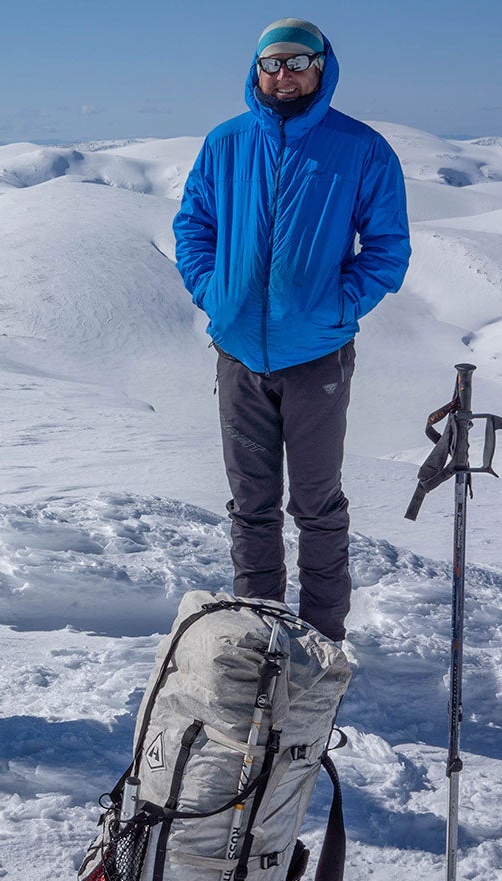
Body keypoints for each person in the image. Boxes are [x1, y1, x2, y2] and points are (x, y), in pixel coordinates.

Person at [172, 18, 410, 643]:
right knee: (251, 506)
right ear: (256, 71)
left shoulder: (360, 148)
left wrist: (336, 305)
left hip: (317, 357)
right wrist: (213, 292)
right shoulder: (226, 143)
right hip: (239, 355)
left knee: (316, 505)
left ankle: (321, 640)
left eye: (298, 61)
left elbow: (387, 248)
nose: (284, 73)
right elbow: (193, 228)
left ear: (322, 67)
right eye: (272, 62)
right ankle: (261, 635)